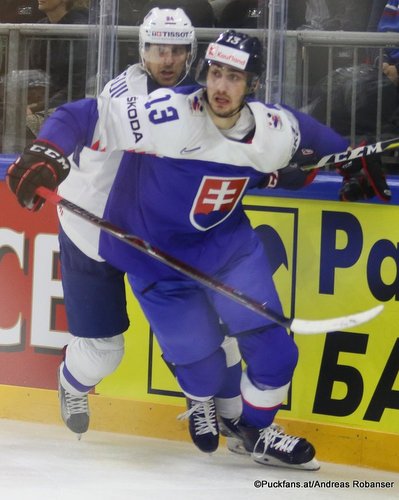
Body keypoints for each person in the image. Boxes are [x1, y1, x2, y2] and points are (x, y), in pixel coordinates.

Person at [6, 30, 390, 469]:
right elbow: (83, 115)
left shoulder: (274, 130)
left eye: (234, 78)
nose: (220, 87)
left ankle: (258, 433)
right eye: (215, 73)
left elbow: (312, 137)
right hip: (159, 256)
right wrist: (46, 149)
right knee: (201, 364)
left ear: (255, 85)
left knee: (277, 351)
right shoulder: (167, 115)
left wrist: (349, 158)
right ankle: (201, 398)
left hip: (228, 249)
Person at [27, 0, 89, 128]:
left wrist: (37, 108)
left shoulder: (81, 30)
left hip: (70, 107)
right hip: (42, 104)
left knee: (20, 124)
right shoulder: (40, 28)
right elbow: (31, 74)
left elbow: (77, 87)